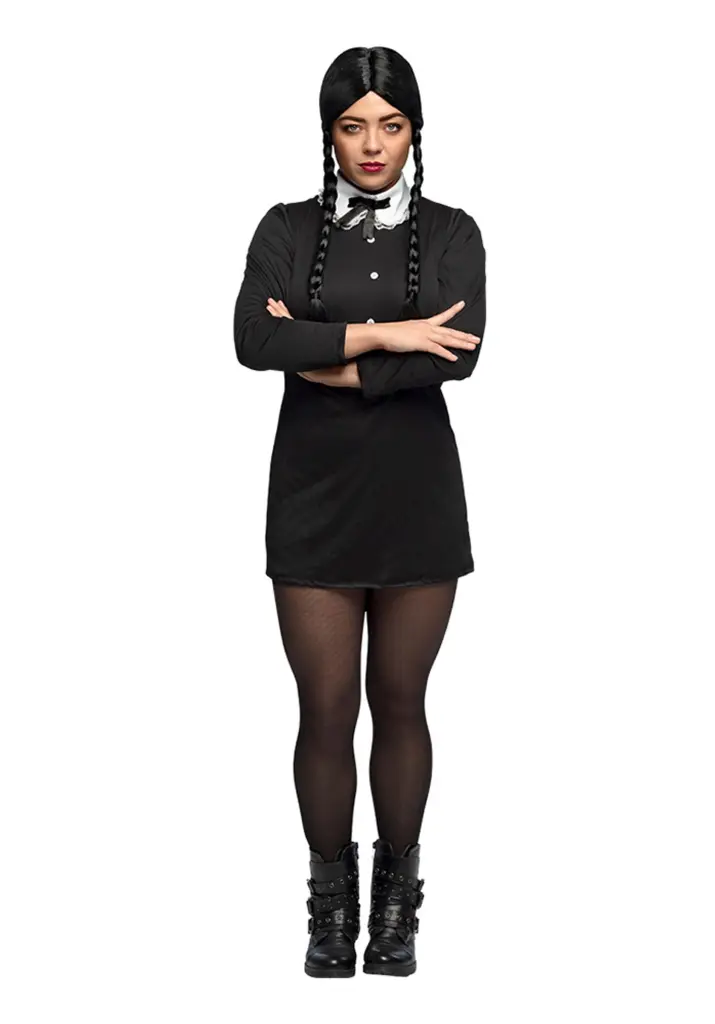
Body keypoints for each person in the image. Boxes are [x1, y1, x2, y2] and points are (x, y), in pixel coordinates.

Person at [232, 45, 486, 978]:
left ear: (415, 132)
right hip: (313, 499)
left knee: (402, 702)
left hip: (418, 499)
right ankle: (330, 907)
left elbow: (458, 353)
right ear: (329, 134)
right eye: (353, 126)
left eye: (390, 125)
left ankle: (397, 907)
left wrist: (326, 356)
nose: (372, 145)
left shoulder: (454, 231)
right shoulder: (286, 227)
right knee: (326, 707)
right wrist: (390, 334)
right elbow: (252, 338)